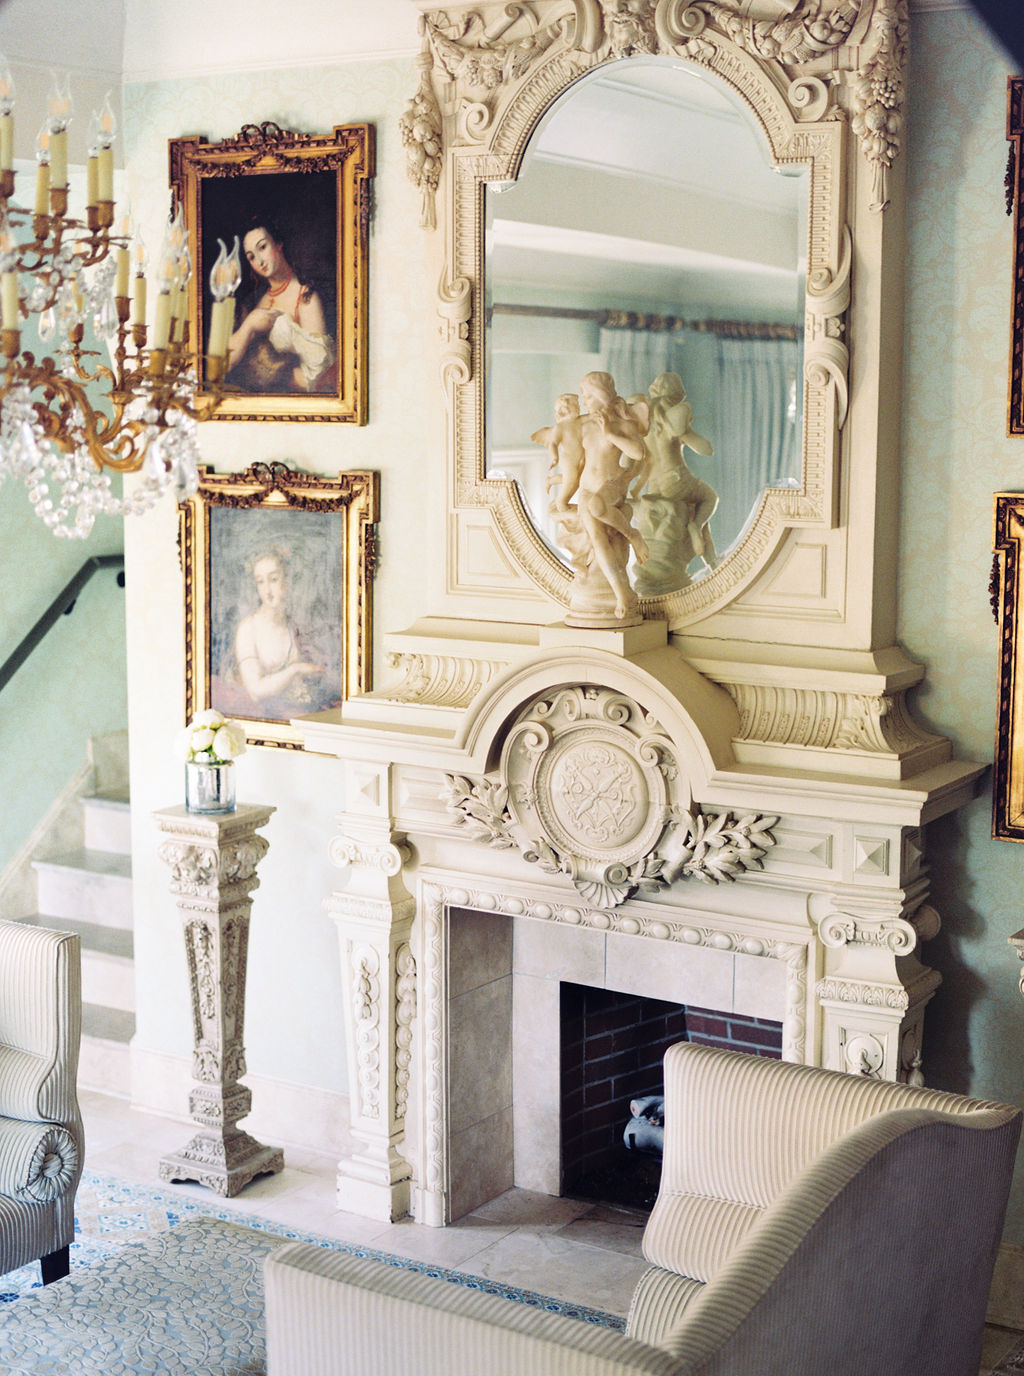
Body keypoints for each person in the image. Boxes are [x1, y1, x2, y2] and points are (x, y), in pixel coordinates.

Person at [571, 371, 650, 619]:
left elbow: (638, 453)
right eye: (583, 395)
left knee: (596, 507)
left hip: (612, 485)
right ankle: (621, 592)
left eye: (588, 395)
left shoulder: (621, 423)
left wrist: (611, 434)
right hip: (587, 487)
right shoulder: (582, 425)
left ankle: (631, 534)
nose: (584, 400)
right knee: (597, 539)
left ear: (600, 395)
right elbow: (576, 462)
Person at [224, 219, 335, 394]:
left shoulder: (305, 297)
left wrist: (275, 375)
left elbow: (318, 375)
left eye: (262, 247)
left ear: (278, 244)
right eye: (251, 257)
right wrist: (249, 325)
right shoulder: (253, 300)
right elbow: (222, 364)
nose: (259, 260)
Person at [233, 548, 327, 709]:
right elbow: (255, 689)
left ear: (288, 581)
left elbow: (320, 673)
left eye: (274, 579)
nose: (267, 591)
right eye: (260, 582)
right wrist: (295, 670)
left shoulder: (294, 627)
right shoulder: (248, 628)